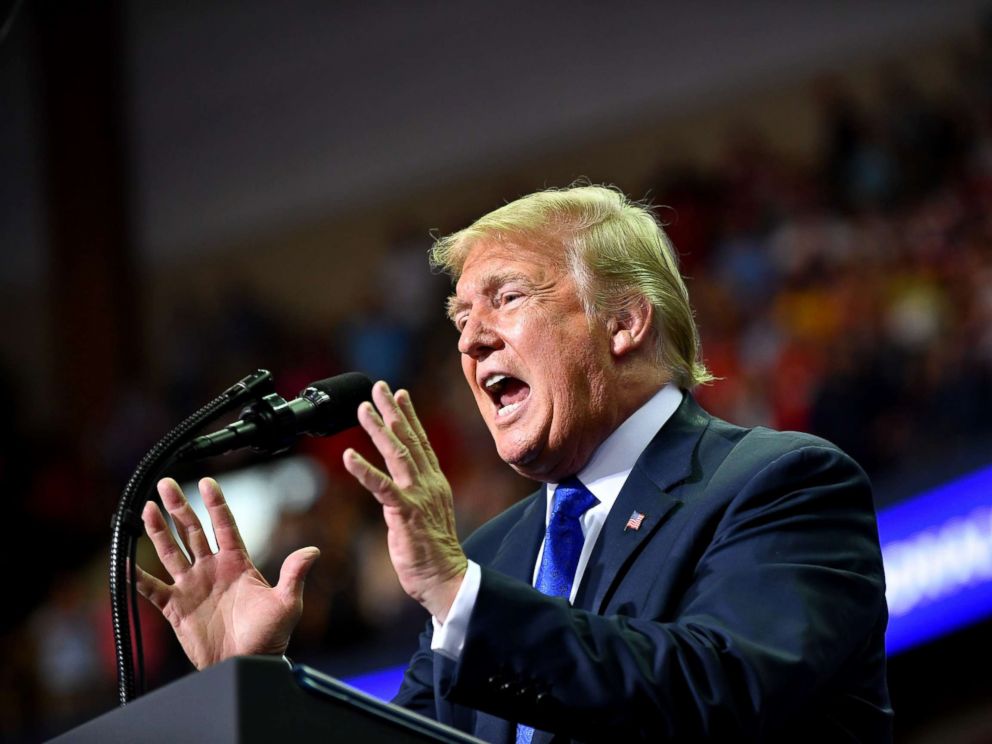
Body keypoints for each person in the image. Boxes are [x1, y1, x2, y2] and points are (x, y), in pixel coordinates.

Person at [137, 185, 893, 742]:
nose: (469, 342)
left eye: (506, 299)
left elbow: (722, 694)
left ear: (625, 321)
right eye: (462, 318)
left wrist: (460, 595)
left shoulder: (781, 484)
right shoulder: (494, 557)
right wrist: (253, 689)